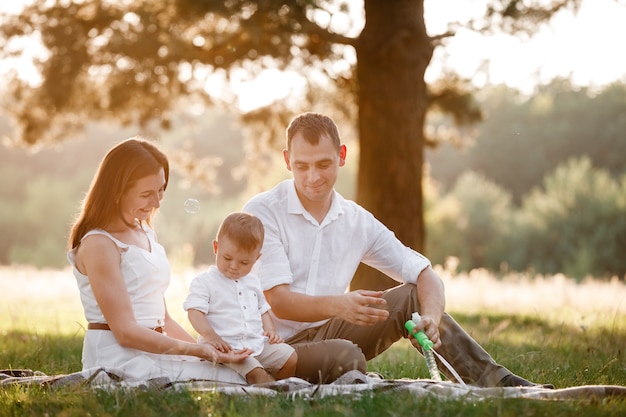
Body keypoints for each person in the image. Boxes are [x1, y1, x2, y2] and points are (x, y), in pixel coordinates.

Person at [242, 112, 553, 388]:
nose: (312, 177)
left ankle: (497, 382)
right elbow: (279, 302)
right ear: (287, 161)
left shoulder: (356, 221)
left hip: (328, 333)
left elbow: (424, 273)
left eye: (323, 164)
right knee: (346, 356)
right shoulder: (264, 211)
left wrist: (430, 317)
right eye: (301, 166)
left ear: (341, 155)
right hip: (275, 345)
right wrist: (340, 305)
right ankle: (299, 374)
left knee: (411, 296)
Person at [67, 137, 253, 383]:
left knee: (240, 372)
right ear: (117, 191)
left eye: (161, 190)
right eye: (146, 194)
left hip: (156, 349)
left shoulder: (144, 233)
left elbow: (163, 319)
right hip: (119, 358)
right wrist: (198, 350)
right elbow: (125, 332)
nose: (156, 202)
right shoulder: (99, 244)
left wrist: (210, 354)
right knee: (234, 382)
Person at [183, 212, 297, 384]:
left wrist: (271, 330)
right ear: (216, 248)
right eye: (227, 258)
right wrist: (211, 336)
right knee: (256, 372)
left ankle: (281, 386)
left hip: (255, 344)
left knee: (289, 356)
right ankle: (271, 395)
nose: (234, 267)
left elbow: (263, 309)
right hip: (225, 348)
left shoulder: (253, 281)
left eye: (244, 263)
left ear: (256, 258)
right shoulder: (205, 282)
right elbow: (194, 312)